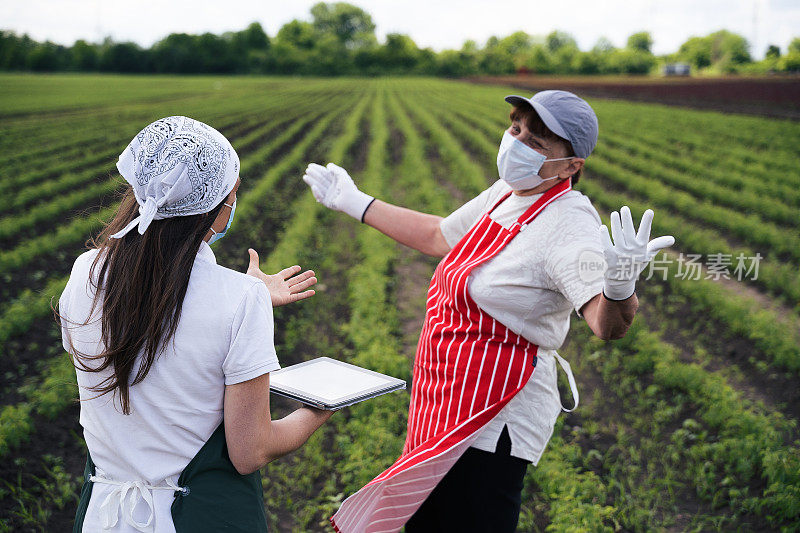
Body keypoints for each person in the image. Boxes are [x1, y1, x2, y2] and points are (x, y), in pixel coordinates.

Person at [302, 90, 675, 532]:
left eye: (537, 142)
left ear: (572, 165)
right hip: (446, 398)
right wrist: (355, 202)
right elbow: (440, 236)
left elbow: (604, 323)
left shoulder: (569, 224)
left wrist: (619, 286)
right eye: (516, 128)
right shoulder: (508, 192)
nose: (516, 143)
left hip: (494, 417)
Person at [58, 116, 332, 533]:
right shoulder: (239, 300)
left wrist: (244, 294)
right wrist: (323, 405)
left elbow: (155, 345)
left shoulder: (85, 273)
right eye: (232, 195)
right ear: (216, 210)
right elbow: (251, 450)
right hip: (197, 517)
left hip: (103, 515)